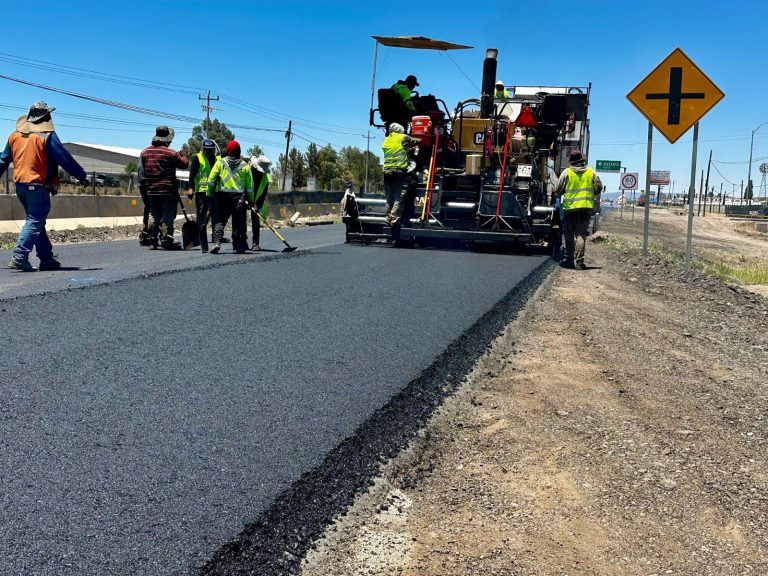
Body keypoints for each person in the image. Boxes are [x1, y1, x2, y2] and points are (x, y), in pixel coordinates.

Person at [0, 101, 88, 272]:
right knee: (34, 220)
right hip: (37, 186)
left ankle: (46, 259)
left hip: (20, 187)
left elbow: (3, 159)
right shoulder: (46, 136)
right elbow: (65, 158)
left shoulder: (14, 136)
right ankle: (20, 256)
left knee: (37, 221)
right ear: (45, 117)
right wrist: (81, 176)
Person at [138, 126, 189, 250]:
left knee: (156, 217)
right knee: (168, 217)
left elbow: (144, 170)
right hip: (168, 191)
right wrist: (184, 155)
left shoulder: (144, 152)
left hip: (152, 191)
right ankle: (167, 240)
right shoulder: (171, 153)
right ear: (166, 139)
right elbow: (184, 164)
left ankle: (153, 239)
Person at [554, 149, 602, 270]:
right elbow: (599, 187)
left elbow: (558, 189)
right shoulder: (591, 172)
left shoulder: (567, 172)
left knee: (569, 235)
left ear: (571, 161)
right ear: (582, 160)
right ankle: (579, 262)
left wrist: (564, 192)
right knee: (580, 234)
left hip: (570, 209)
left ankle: (570, 260)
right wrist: (591, 193)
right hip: (586, 208)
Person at [206, 140, 253, 254]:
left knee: (220, 221)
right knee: (238, 223)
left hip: (222, 198)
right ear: (239, 151)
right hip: (239, 200)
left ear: (227, 151)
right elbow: (250, 187)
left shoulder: (220, 163)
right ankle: (237, 246)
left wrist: (209, 195)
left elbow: (211, 181)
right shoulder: (245, 166)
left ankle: (216, 243)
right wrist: (251, 200)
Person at [185, 139, 220, 253]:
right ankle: (204, 245)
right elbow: (192, 175)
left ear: (213, 149)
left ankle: (216, 242)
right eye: (206, 150)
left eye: (210, 150)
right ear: (203, 149)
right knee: (201, 219)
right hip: (201, 193)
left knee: (215, 217)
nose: (208, 152)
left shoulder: (218, 159)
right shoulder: (198, 158)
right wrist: (190, 188)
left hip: (215, 192)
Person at [381, 123, 419, 226]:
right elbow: (416, 141)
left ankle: (387, 218)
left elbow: (399, 149)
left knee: (389, 198)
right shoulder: (403, 137)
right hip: (398, 172)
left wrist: (408, 150)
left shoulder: (387, 139)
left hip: (386, 172)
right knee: (399, 196)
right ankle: (394, 218)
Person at [248, 154, 273, 251]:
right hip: (244, 197)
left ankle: (255, 243)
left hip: (256, 199)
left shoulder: (266, 178)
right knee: (240, 219)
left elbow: (263, 193)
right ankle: (241, 241)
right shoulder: (248, 170)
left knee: (255, 219)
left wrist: (257, 205)